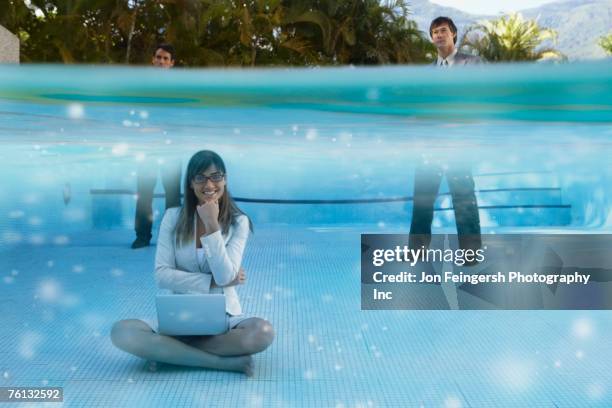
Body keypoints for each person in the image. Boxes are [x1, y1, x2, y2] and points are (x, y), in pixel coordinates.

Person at [112, 150, 274, 376]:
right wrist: (212, 283)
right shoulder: (172, 217)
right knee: (121, 332)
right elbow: (162, 276)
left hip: (225, 317)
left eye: (216, 176)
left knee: (262, 332)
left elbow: (224, 276)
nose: (209, 184)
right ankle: (220, 363)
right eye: (200, 177)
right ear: (190, 183)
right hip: (179, 318)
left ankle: (168, 352)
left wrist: (211, 226)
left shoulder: (239, 222)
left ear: (225, 179)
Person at [409, 17, 482, 253]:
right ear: (431, 39)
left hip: (460, 144)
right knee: (422, 199)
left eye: (442, 31)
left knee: (463, 199)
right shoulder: (426, 73)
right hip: (430, 146)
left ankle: (471, 252)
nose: (438, 35)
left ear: (453, 34)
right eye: (434, 32)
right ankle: (416, 250)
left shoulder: (473, 64)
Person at [131, 44, 181, 249]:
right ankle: (142, 236)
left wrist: (159, 129)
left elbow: (179, 119)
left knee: (172, 195)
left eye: (166, 58)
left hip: (171, 149)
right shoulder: (142, 87)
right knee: (144, 193)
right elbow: (136, 117)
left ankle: (172, 238)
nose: (161, 61)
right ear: (153, 60)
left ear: (172, 63)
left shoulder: (178, 90)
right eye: (158, 57)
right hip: (147, 150)